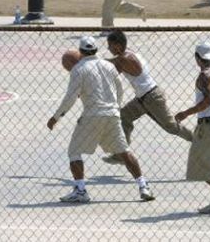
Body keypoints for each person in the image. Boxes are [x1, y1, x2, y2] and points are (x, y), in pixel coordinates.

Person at [47, 36, 156, 203]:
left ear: (81, 51)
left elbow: (70, 97)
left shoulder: (79, 69)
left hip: (92, 114)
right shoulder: (109, 65)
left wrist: (56, 117)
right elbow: (119, 89)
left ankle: (81, 190)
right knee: (124, 152)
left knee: (74, 151)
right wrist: (116, 108)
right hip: (112, 114)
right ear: (96, 49)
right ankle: (143, 186)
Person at [100, 30, 193, 165]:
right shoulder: (128, 54)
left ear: (118, 45)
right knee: (123, 117)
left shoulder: (125, 58)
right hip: (142, 99)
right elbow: (113, 66)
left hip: (152, 97)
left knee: (171, 127)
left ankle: (197, 140)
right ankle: (122, 154)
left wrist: (91, 60)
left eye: (110, 45)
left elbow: (111, 64)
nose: (108, 48)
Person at [175, 42, 210, 216]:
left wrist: (185, 113)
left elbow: (207, 101)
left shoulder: (203, 76)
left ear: (197, 58)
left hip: (207, 125)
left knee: (199, 163)